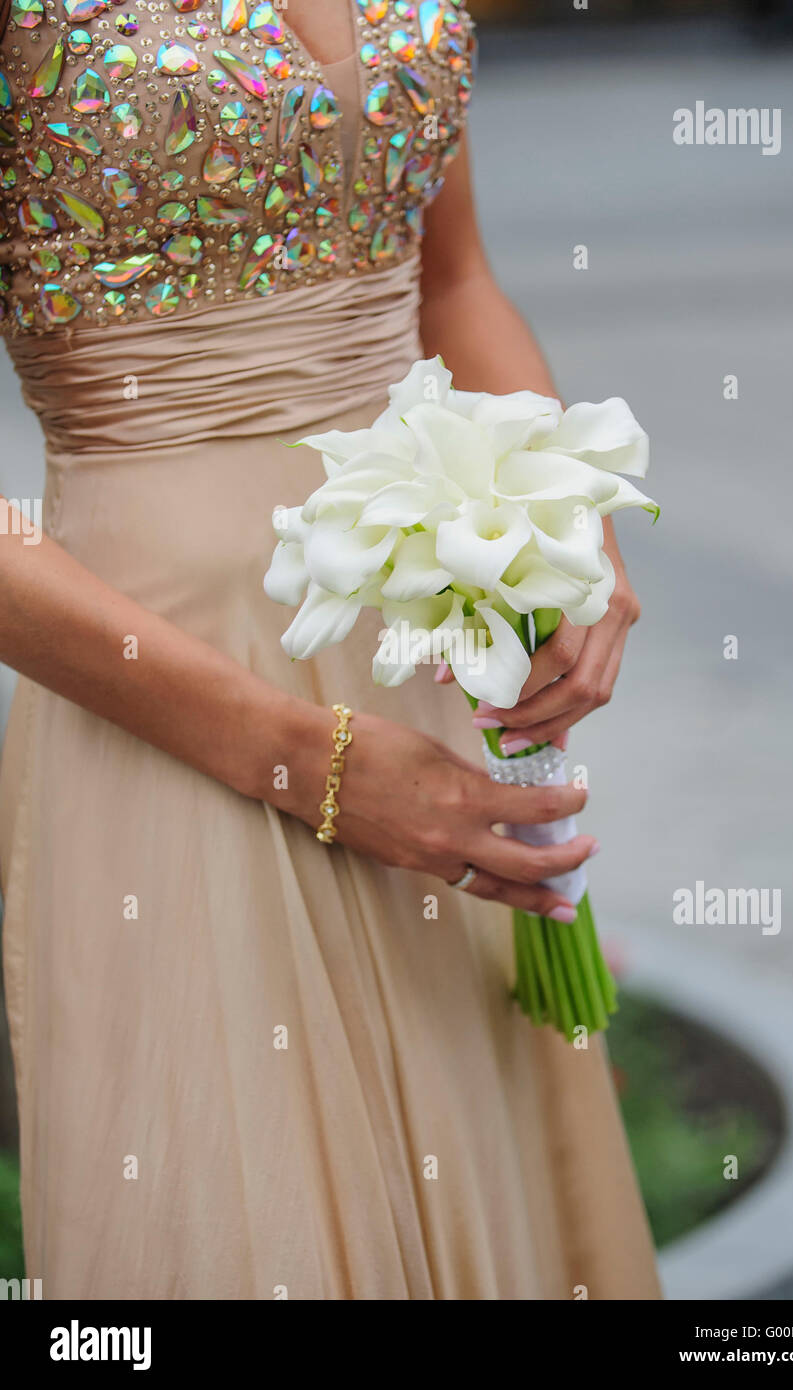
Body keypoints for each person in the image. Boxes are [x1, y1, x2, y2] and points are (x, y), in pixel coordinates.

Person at [0, 0, 659, 1298]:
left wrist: (558, 506)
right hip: (173, 706)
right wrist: (314, 763)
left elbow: (446, 277)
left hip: (419, 657)